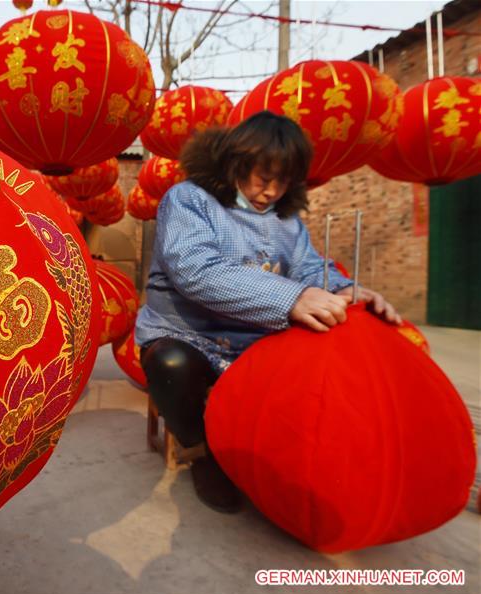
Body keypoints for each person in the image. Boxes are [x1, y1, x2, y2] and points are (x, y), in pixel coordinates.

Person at [135, 111, 402, 513]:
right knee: (170, 363)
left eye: (283, 181)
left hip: (255, 338)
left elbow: (310, 268)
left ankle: (277, 454)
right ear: (236, 163)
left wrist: (349, 290)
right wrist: (290, 300)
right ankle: (202, 452)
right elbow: (195, 270)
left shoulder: (287, 221)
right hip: (185, 331)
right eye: (263, 176)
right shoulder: (189, 199)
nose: (271, 191)